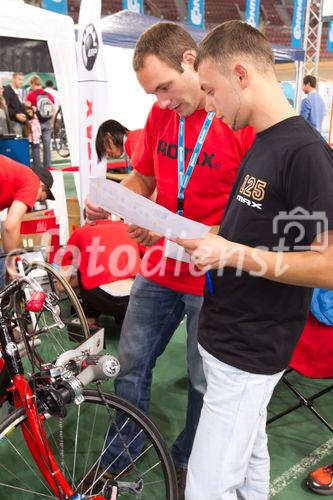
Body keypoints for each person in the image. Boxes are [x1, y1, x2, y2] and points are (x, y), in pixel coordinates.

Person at [85, 22, 255, 497]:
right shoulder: (162, 117)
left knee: (204, 384)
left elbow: (250, 218)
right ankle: (121, 453)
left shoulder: (235, 118)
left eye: (164, 87)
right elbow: (143, 178)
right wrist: (117, 199)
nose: (161, 102)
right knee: (131, 362)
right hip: (159, 268)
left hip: (211, 275)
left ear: (188, 60)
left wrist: (169, 227)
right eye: (151, 93)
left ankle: (184, 460)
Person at [175, 20, 333, 500]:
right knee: (248, 467)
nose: (208, 104)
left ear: (240, 73)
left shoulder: (305, 153)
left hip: (250, 348)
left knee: (206, 488)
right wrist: (209, 239)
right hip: (228, 340)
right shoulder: (263, 143)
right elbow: (256, 233)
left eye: (211, 90)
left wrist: (234, 253)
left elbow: (326, 264)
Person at [59, 219, 141, 328]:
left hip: (101, 298)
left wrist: (80, 278)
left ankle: (90, 318)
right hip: (134, 297)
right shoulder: (129, 228)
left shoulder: (80, 232)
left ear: (86, 220)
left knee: (83, 268)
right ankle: (123, 320)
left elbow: (61, 286)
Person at [0, 155, 55, 288]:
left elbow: (11, 221)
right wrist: (11, 264)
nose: (34, 202)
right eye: (40, 198)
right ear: (42, 186)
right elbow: (10, 226)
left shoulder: (17, 176)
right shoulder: (32, 180)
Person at [26, 75, 55, 168]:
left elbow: (27, 109)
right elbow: (53, 110)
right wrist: (52, 122)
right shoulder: (49, 95)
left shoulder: (31, 95)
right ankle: (48, 167)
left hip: (35, 123)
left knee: (36, 145)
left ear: (33, 84)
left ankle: (37, 168)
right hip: (47, 122)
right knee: (47, 146)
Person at [24, 102, 42, 169]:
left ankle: (38, 169)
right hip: (29, 136)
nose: (29, 110)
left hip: (35, 136)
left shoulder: (35, 112)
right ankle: (32, 168)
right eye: (27, 108)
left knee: (36, 154)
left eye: (30, 107)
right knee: (30, 154)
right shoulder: (26, 114)